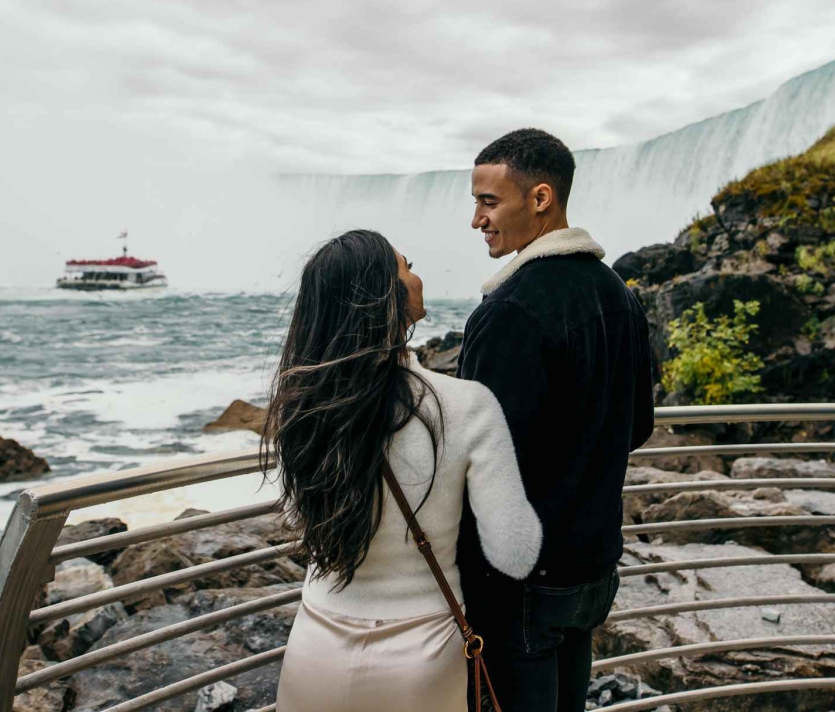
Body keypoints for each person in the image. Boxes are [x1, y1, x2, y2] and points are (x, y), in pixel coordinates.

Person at [267, 229, 542, 712]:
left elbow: (302, 519)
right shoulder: (466, 405)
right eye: (407, 266)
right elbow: (514, 554)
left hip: (316, 644)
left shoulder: (299, 407)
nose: (417, 277)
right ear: (384, 297)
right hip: (422, 655)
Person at [457, 128, 657, 712]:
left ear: (540, 198)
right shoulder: (618, 293)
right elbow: (637, 424)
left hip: (523, 581)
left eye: (488, 202)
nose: (477, 220)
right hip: (592, 567)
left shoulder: (513, 309)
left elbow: (480, 461)